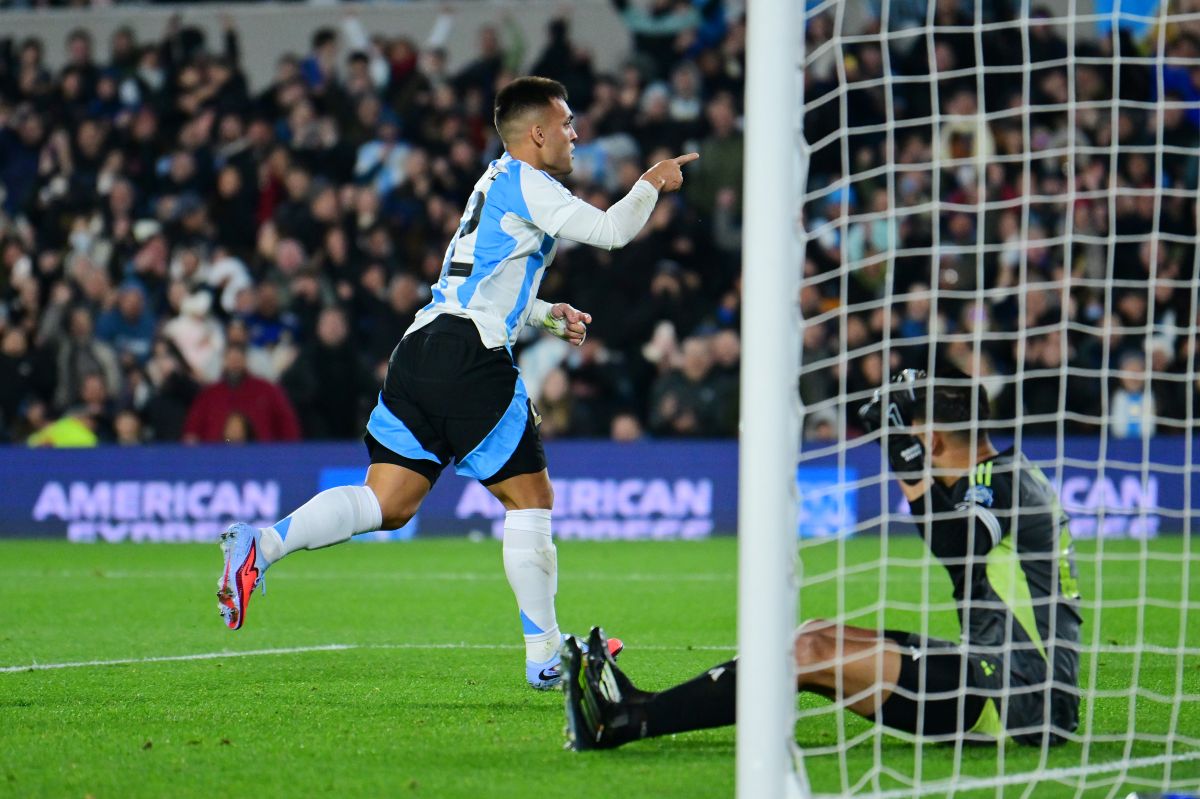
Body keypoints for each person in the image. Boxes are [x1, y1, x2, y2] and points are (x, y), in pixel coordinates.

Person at [216, 76, 698, 690]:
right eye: (568, 123)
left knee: (389, 503)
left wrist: (548, 313)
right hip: (469, 353)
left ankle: (262, 544)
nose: (576, 134)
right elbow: (610, 232)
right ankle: (545, 653)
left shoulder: (493, 181)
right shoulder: (529, 181)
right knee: (531, 501)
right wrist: (652, 182)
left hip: (420, 348)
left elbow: (483, 280)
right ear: (538, 133)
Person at [563, 370, 1082, 747]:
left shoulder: (1002, 482)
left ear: (934, 440)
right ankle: (642, 704)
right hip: (996, 665)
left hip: (1019, 694)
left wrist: (903, 457)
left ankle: (635, 719)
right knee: (811, 632)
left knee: (809, 652)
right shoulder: (1005, 472)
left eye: (915, 439)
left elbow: (958, 548)